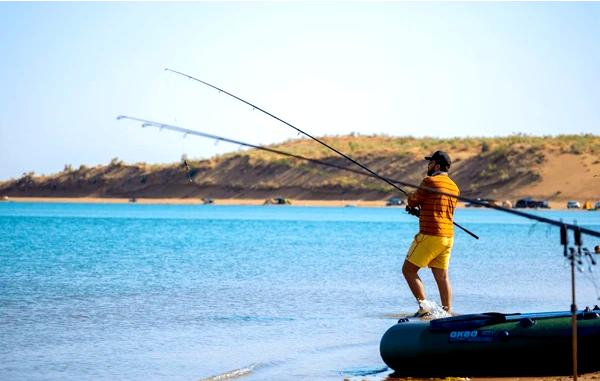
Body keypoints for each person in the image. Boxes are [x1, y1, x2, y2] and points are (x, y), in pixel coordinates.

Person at [402, 150, 460, 317]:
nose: (428, 165)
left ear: (437, 165)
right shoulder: (453, 187)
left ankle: (424, 307)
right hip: (447, 236)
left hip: (430, 234)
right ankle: (447, 312)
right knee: (442, 277)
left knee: (408, 270)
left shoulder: (430, 181)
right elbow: (437, 208)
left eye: (430, 162)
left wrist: (410, 197)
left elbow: (414, 200)